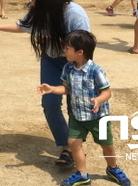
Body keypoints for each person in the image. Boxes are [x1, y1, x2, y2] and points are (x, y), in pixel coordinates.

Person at [0, 0, 90, 168]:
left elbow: (84, 43)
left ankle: (76, 145)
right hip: (50, 60)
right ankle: (67, 148)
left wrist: (53, 39)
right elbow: (23, 25)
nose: (31, 2)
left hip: (74, 64)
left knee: (74, 105)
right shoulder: (39, 11)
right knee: (50, 103)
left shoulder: (74, 13)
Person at [37, 30, 131, 186]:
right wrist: (52, 89)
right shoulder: (68, 68)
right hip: (77, 117)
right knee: (73, 143)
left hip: (98, 118)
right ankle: (82, 174)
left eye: (67, 48)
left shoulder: (96, 70)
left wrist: (98, 100)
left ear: (80, 52)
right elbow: (66, 89)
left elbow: (107, 92)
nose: (64, 51)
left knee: (106, 145)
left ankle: (113, 168)